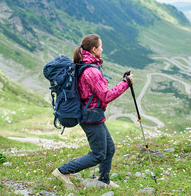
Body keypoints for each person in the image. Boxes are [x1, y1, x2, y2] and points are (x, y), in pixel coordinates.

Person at [52, 34, 133, 188]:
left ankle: (103, 180)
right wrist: (125, 83)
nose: (102, 49)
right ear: (94, 49)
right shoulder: (91, 71)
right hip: (90, 116)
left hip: (94, 114)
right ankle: (63, 171)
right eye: (100, 46)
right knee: (98, 154)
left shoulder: (86, 64)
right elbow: (106, 96)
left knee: (109, 149)